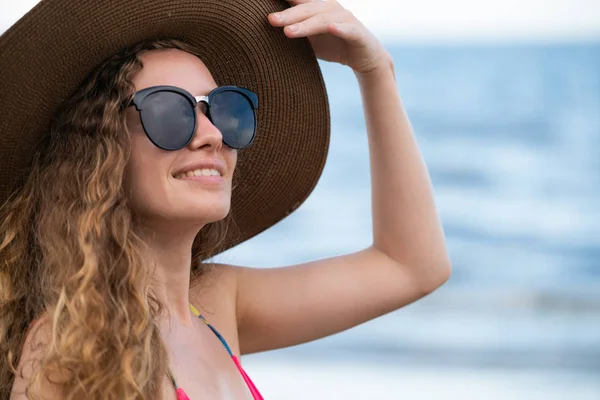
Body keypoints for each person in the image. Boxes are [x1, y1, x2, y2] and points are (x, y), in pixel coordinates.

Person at [0, 0, 451, 398]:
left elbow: (411, 266)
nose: (212, 134)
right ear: (95, 151)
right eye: (169, 112)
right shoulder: (71, 346)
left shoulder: (216, 305)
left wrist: (375, 71)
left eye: (224, 109)